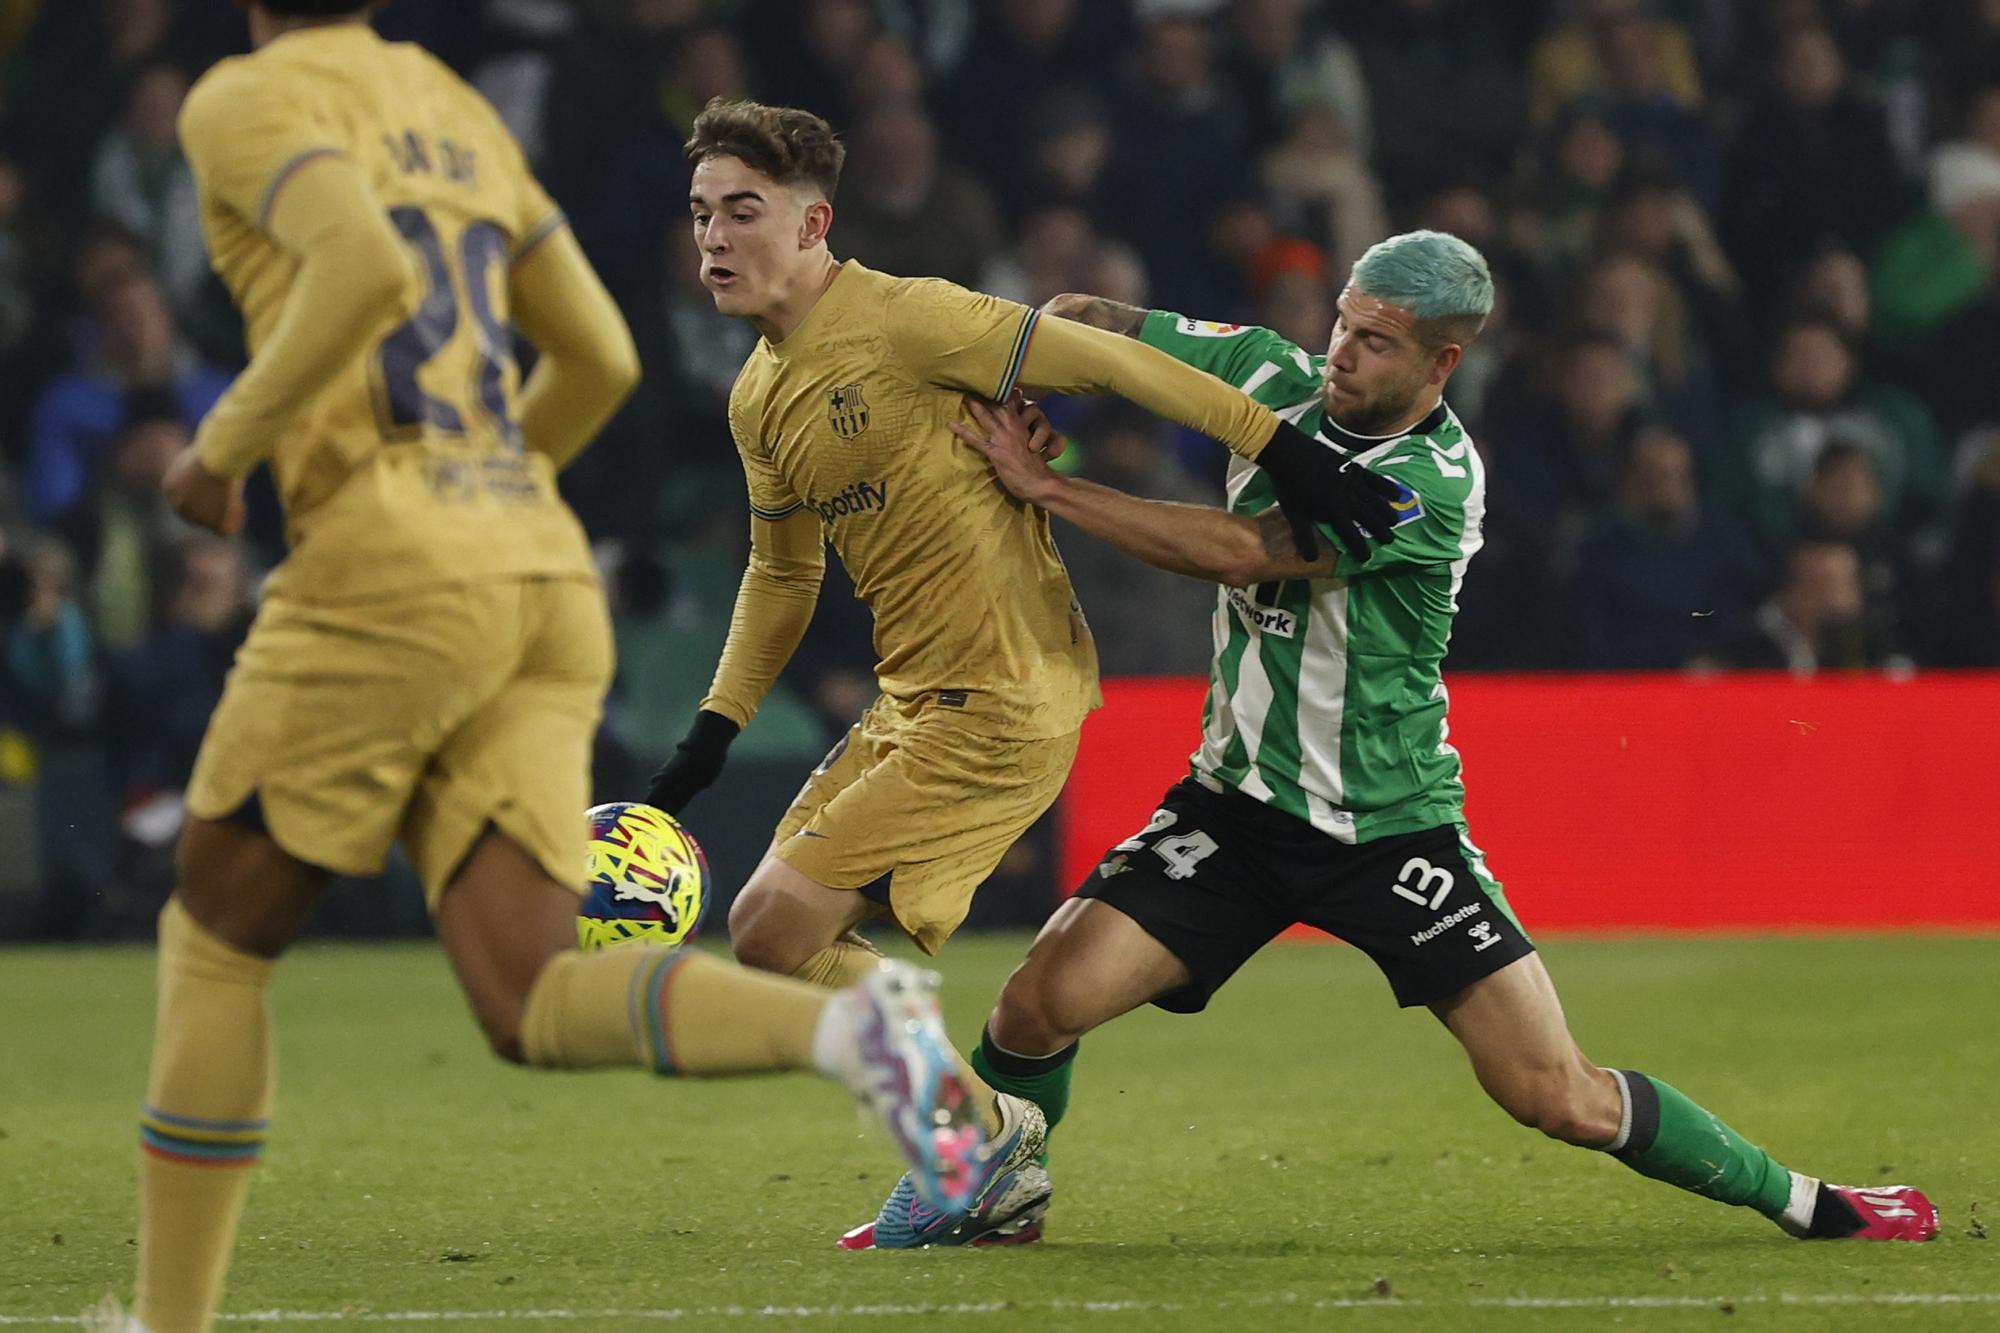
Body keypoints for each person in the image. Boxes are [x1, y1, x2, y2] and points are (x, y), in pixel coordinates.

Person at [90, 8, 992, 1333]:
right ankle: (849, 1033)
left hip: (386, 570)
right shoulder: (455, 111)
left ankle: (169, 1325)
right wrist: (489, 495)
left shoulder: (245, 97)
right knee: (526, 993)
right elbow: (603, 355)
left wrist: (219, 451)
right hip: (535, 569)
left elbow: (356, 269)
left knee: (219, 938)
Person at [840, 229, 1940, 1250]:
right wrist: (1026, 375)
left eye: (1373, 342)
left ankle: (1812, 1203)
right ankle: (985, 1196)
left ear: (1440, 360)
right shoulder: (1271, 373)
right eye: (1340, 324)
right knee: (1034, 1005)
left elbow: (1238, 549)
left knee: (1553, 1091)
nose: (1340, 354)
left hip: (1387, 828)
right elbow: (1088, 316)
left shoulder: (1425, 486)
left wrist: (1046, 484)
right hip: (1231, 808)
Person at [648, 96, 1400, 1240]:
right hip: (915, 698)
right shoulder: (757, 391)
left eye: (741, 211)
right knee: (767, 928)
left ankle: (976, 1144)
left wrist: (1279, 446)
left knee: (772, 930)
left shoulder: (908, 319)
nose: (711, 237)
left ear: (812, 225)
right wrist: (709, 734)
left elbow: (1102, 360)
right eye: (700, 213)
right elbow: (780, 576)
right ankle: (979, 1163)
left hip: (1003, 694)